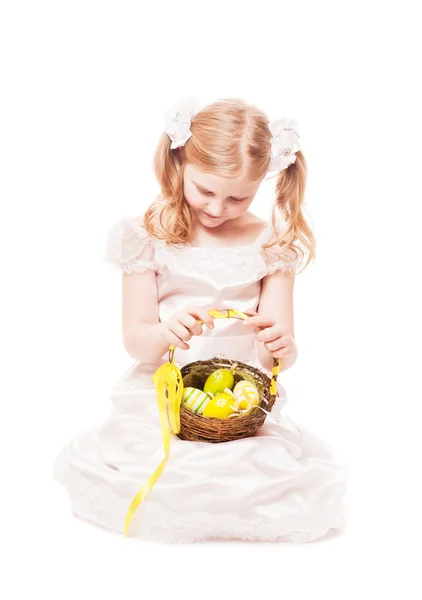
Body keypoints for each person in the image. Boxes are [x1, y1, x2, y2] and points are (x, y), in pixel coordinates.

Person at [52, 97, 347, 543]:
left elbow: (276, 347)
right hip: (162, 391)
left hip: (236, 401)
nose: (216, 207)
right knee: (161, 462)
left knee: (254, 467)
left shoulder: (271, 245)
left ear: (262, 183)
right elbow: (135, 338)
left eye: (238, 197)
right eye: (205, 190)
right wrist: (164, 332)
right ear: (180, 164)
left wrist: (282, 347)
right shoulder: (148, 237)